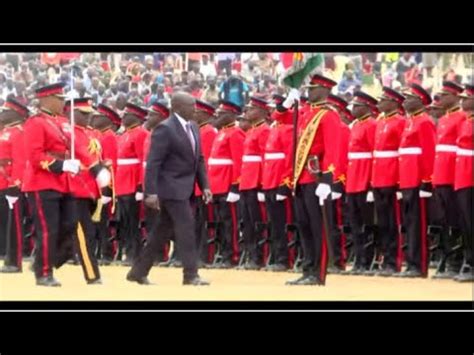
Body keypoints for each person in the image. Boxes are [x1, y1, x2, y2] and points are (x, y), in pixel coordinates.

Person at [127, 92, 212, 285]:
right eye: (191, 106)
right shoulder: (165, 129)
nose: (195, 109)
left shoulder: (194, 127)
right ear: (178, 107)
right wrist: (151, 192)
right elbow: (154, 163)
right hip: (170, 189)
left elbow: (198, 159)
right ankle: (190, 274)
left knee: (160, 232)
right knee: (187, 228)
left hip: (186, 188)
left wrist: (204, 185)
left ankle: (138, 272)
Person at [285, 74, 342, 286]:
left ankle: (318, 272)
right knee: (303, 224)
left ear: (325, 90)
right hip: (302, 176)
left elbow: (332, 148)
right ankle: (307, 267)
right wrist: (288, 102)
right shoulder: (307, 113)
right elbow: (280, 119)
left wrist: (327, 180)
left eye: (313, 88)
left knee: (318, 226)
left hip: (317, 177)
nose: (309, 91)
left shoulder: (328, 116)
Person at [396, 84, 436, 278]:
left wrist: (426, 181)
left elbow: (428, 153)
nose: (404, 102)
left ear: (420, 101)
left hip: (417, 180)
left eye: (409, 98)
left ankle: (418, 265)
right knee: (409, 222)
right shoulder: (410, 121)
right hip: (406, 179)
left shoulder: (425, 122)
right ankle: (411, 262)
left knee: (417, 224)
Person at [431, 81, 466, 279]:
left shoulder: (461, 118)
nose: (441, 99)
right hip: (441, 175)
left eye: (445, 95)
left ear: (455, 97)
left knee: (456, 220)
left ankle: (455, 261)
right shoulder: (444, 119)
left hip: (454, 175)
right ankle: (447, 256)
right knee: (443, 220)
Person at [371, 87, 407, 276]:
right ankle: (386, 258)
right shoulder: (381, 121)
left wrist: (400, 182)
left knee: (393, 222)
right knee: (383, 223)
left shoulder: (400, 122)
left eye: (383, 100)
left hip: (391, 176)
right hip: (378, 177)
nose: (379, 103)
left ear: (393, 102)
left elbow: (401, 153)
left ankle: (395, 261)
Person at [207, 101, 246, 268]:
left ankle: (233, 255)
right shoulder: (222, 132)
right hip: (217, 184)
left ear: (232, 115)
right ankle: (223, 253)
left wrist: (235, 185)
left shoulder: (235, 133)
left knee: (230, 223)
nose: (218, 116)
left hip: (227, 184)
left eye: (222, 113)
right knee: (221, 223)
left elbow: (238, 161)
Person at [115, 103, 149, 265]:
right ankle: (128, 250)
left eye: (126, 114)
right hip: (122, 183)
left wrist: (140, 185)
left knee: (133, 222)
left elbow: (142, 160)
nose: (123, 117)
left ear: (135, 117)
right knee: (125, 222)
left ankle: (135, 253)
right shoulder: (124, 135)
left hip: (132, 182)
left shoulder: (141, 134)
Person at [239, 97, 270, 269]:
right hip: (246, 181)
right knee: (248, 222)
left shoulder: (264, 131)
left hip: (255, 183)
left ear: (261, 112)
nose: (247, 113)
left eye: (251, 109)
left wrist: (261, 184)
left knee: (258, 222)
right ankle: (251, 256)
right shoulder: (251, 130)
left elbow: (265, 159)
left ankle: (259, 257)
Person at [0, 98, 29, 273]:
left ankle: (14, 260)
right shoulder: (6, 130)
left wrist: (15, 182)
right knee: (7, 223)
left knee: (14, 223)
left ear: (15, 114)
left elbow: (20, 160)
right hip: (3, 182)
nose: (2, 112)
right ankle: (8, 257)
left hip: (11, 184)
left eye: (6, 110)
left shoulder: (18, 132)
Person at [193, 100, 218, 265]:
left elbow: (205, 161)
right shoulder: (199, 131)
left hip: (203, 184)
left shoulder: (208, 132)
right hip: (194, 184)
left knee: (204, 221)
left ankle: (205, 255)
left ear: (204, 114)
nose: (193, 115)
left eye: (196, 112)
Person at [454, 84, 474, 282]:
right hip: (462, 176)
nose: (462, 101)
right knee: (466, 223)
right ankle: (469, 261)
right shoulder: (465, 121)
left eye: (467, 98)